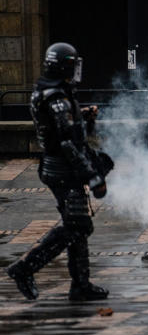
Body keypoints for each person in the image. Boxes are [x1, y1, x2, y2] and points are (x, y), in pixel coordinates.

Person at [6, 42, 112, 301]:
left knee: (77, 225)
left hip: (58, 168)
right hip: (63, 170)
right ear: (64, 65)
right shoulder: (56, 97)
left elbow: (61, 128)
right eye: (72, 64)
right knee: (77, 225)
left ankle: (80, 284)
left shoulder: (51, 91)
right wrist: (91, 175)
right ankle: (25, 268)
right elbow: (66, 142)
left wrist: (84, 115)